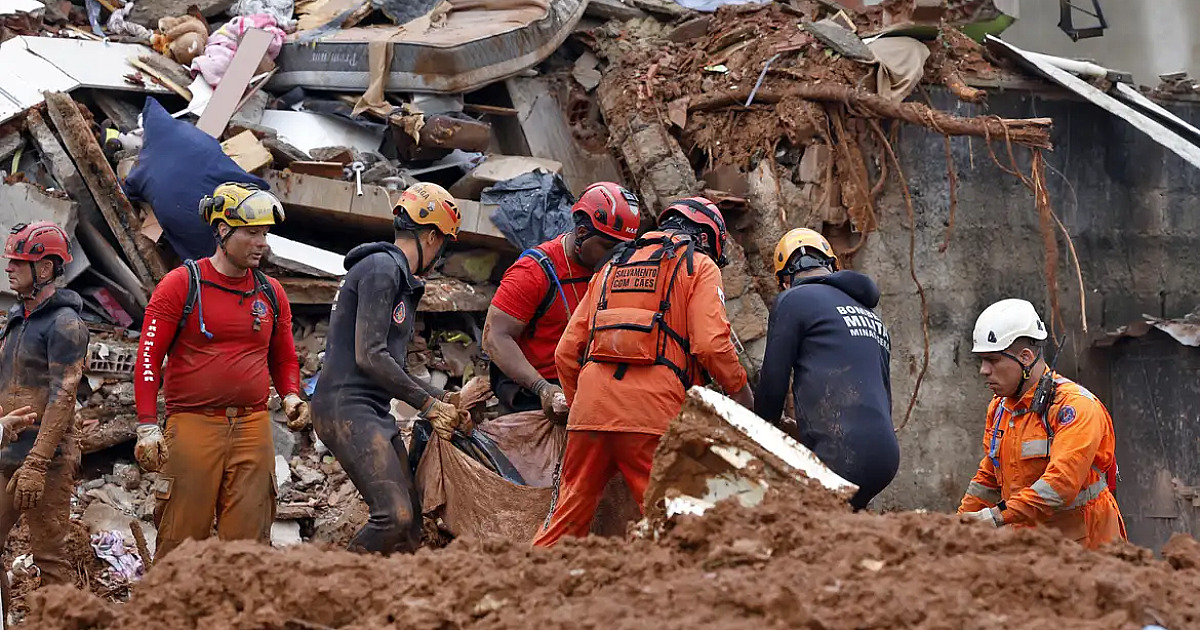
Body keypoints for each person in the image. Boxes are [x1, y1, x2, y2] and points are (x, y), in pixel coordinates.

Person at [536, 196, 753, 547]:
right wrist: (741, 392)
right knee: (676, 525)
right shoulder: (698, 265)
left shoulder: (611, 267)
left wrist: (583, 409)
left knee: (565, 523)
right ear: (708, 240)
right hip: (651, 416)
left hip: (590, 413)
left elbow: (565, 353)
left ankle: (518, 589)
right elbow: (710, 345)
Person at [134, 183, 307, 559]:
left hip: (253, 427)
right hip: (194, 425)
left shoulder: (271, 293)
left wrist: (291, 394)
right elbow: (148, 358)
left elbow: (284, 358)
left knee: (248, 545)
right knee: (182, 539)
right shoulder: (181, 285)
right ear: (223, 230)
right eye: (251, 232)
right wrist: (148, 426)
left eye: (265, 233)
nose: (262, 242)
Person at [312, 182, 464, 555]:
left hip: (368, 408)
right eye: (443, 243)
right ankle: (324, 587)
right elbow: (371, 356)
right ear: (431, 236)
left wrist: (439, 397)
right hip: (346, 408)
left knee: (410, 525)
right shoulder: (382, 269)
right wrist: (428, 405)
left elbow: (387, 364)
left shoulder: (393, 274)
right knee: (393, 516)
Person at [958, 298, 1126, 549]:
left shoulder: (1074, 407)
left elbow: (1060, 486)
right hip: (1036, 545)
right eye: (981, 360)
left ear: (1026, 357)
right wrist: (956, 525)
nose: (983, 370)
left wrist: (994, 517)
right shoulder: (1001, 407)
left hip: (1088, 547)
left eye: (992, 360)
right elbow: (989, 476)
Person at [754, 228, 898, 510]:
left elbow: (773, 385)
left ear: (784, 280)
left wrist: (757, 436)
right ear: (832, 266)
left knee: (798, 528)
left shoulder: (794, 300)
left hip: (842, 452)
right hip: (885, 455)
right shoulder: (871, 316)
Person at [483, 182, 641, 421]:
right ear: (582, 233)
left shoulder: (612, 270)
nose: (615, 256)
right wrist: (542, 388)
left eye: (623, 248)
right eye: (608, 247)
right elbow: (494, 337)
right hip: (535, 392)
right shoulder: (534, 272)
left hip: (588, 387)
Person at [0, 222, 89, 607]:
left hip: (45, 463)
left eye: (19, 262)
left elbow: (63, 395)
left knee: (50, 559)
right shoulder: (18, 319)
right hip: (6, 453)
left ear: (47, 269)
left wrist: (37, 462)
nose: (9, 268)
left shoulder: (66, 324)